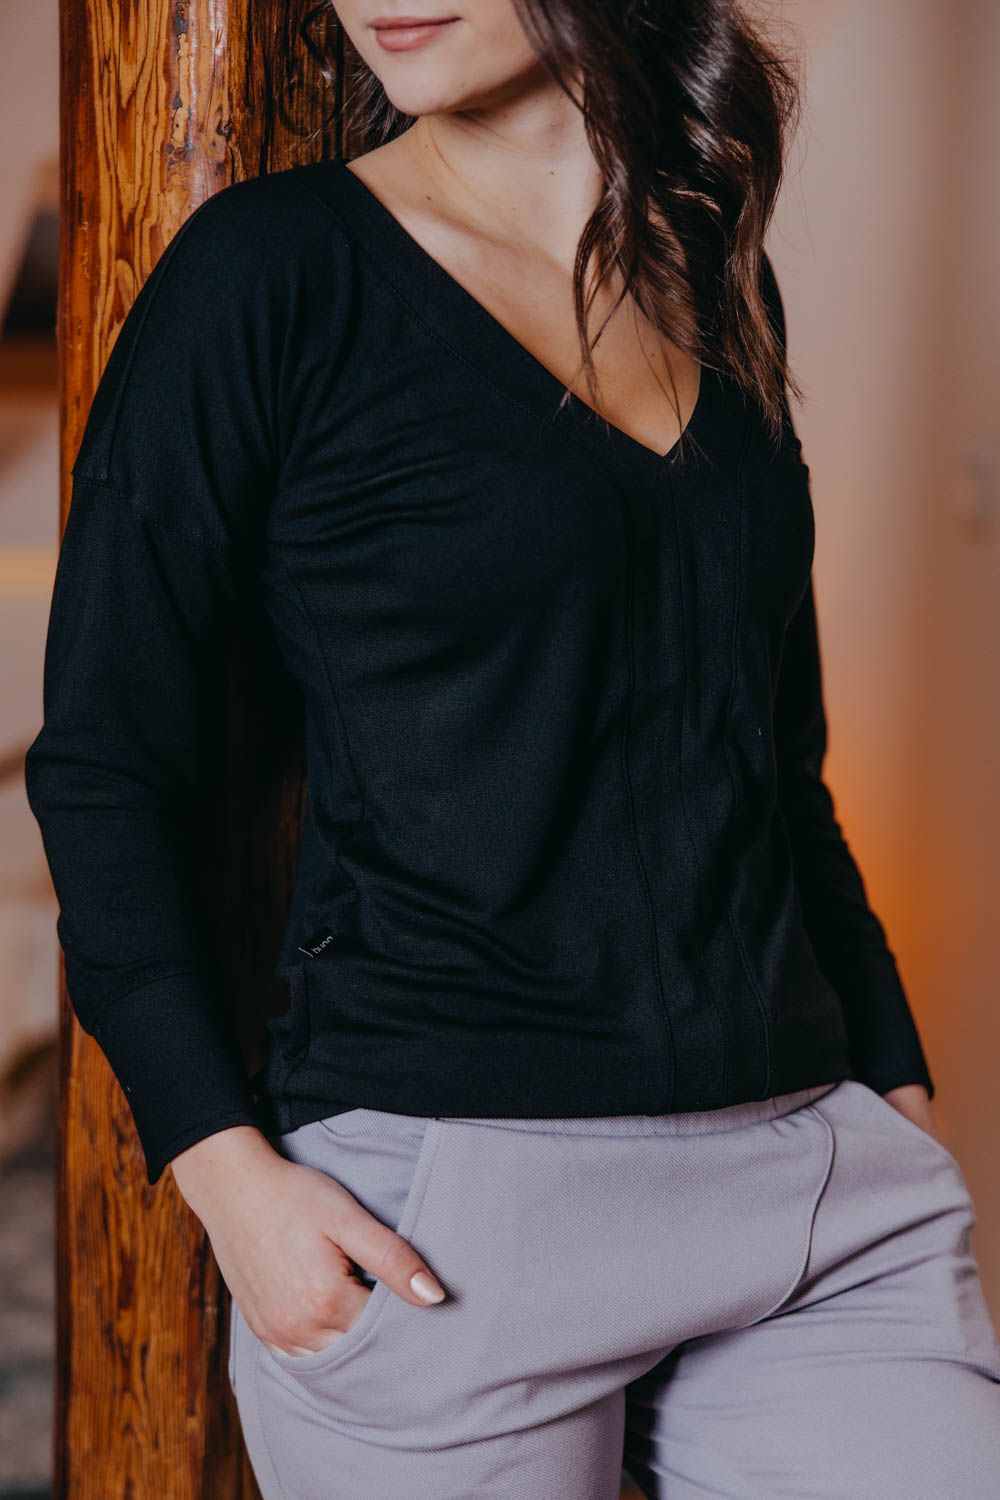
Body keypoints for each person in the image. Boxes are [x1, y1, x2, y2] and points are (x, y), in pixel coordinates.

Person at [24, 2, 1000, 1496]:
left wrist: (889, 1069)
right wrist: (226, 1177)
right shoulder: (270, 273)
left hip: (808, 1188)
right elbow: (104, 760)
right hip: (449, 1219)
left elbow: (768, 753)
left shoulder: (715, 270)